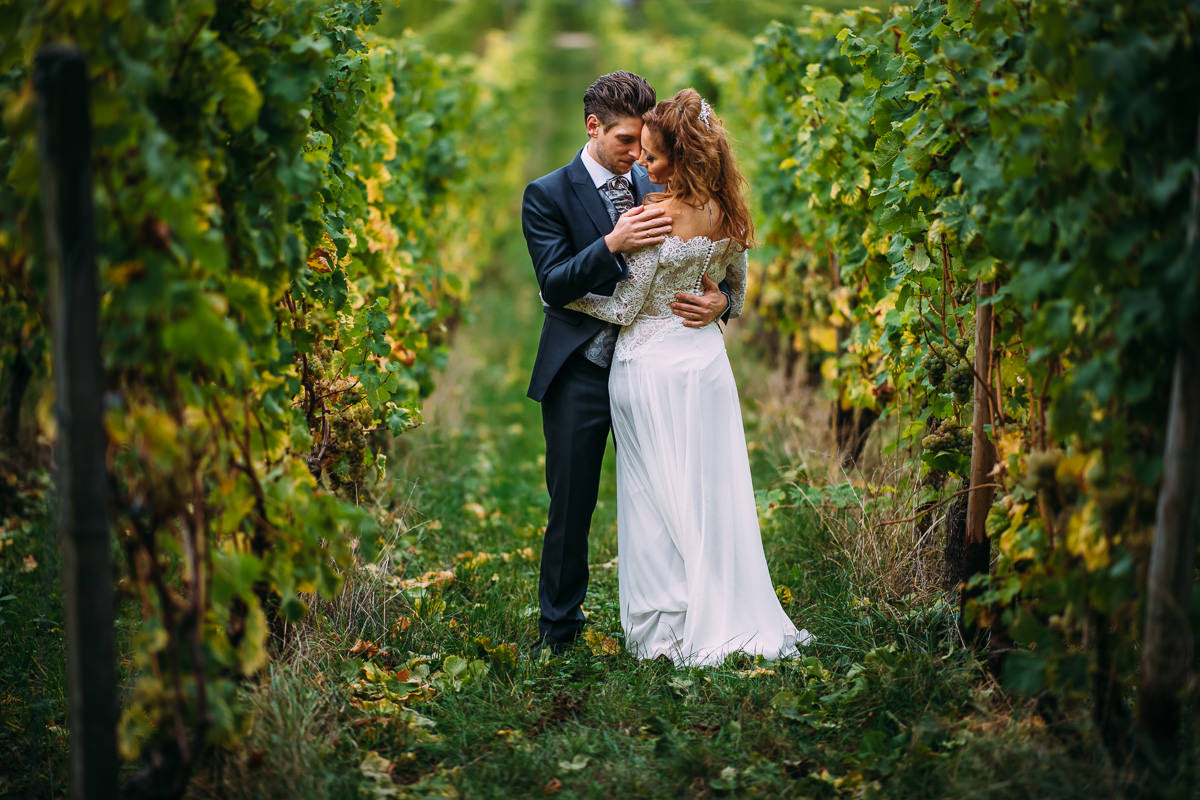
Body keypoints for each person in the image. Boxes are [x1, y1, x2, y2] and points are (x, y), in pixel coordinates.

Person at [564, 89, 810, 665]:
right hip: (703, 366)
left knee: (652, 495)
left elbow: (624, 307)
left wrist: (567, 298)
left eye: (652, 157)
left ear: (682, 156)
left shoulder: (654, 215)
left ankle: (669, 627)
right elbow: (736, 293)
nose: (644, 168)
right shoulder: (729, 211)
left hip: (648, 368)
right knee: (711, 490)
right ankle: (725, 606)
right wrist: (718, 306)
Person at [522, 72, 733, 654]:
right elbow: (553, 283)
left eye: (644, 143)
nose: (637, 155)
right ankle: (558, 634)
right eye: (625, 142)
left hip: (657, 372)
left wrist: (724, 300)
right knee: (572, 505)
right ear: (593, 127)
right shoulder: (547, 193)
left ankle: (681, 615)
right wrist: (612, 243)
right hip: (583, 374)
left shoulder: (657, 175)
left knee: (669, 494)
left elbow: (714, 256)